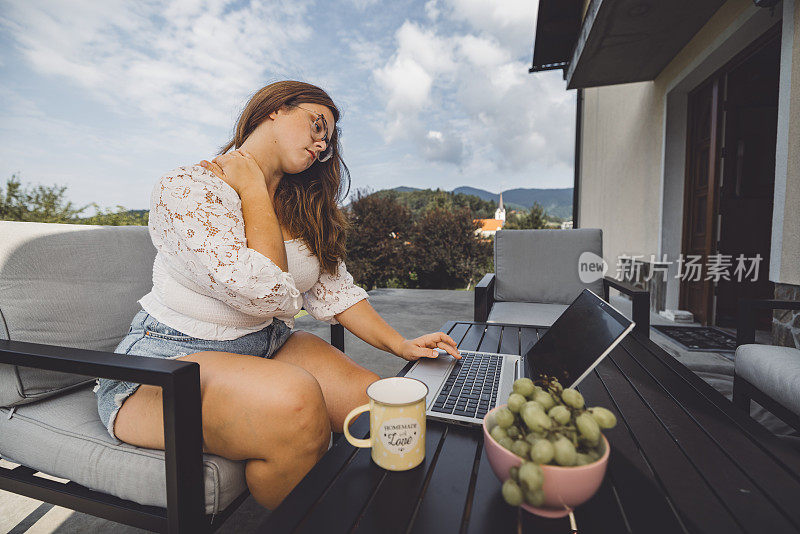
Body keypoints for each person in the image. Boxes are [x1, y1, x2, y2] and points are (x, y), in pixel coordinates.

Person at [94, 80, 460, 509]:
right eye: (317, 125)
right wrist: (251, 188)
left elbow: (334, 291)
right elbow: (264, 293)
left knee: (384, 405)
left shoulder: (301, 205)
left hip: (268, 345)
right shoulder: (190, 188)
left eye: (328, 142)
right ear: (275, 109)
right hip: (165, 364)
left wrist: (402, 344)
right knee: (296, 403)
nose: (322, 145)